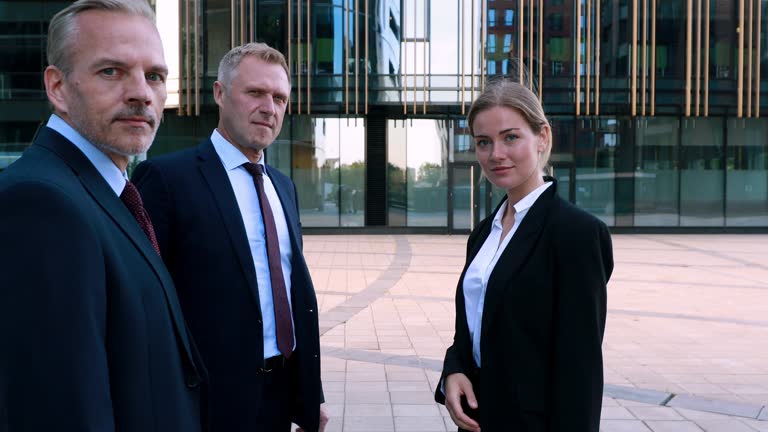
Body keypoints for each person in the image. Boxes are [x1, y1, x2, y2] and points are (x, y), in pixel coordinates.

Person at [0, 0, 205, 430]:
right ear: (57, 88)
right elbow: (59, 410)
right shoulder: (41, 203)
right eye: (111, 71)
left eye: (155, 76)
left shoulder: (106, 192)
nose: (141, 93)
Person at [131, 42, 328, 432]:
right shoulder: (166, 180)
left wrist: (309, 391)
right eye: (255, 93)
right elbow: (143, 303)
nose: (269, 108)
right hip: (206, 401)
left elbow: (291, 291)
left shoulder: (283, 187)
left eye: (279, 98)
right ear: (220, 94)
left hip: (280, 392)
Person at [435, 80, 613, 432]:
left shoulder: (576, 234)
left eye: (510, 137)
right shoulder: (485, 233)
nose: (495, 153)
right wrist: (453, 370)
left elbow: (581, 370)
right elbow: (470, 330)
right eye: (484, 142)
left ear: (542, 137)